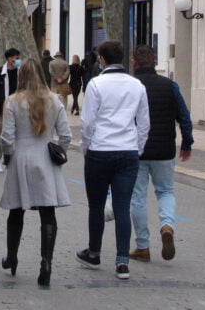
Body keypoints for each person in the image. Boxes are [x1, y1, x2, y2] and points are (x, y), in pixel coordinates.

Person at [76, 40, 149, 281]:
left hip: (100, 150)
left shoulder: (96, 85)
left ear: (102, 60)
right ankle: (122, 261)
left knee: (96, 206)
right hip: (127, 151)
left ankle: (94, 253)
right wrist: (136, 149)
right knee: (122, 207)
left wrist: (86, 147)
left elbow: (87, 123)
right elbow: (144, 124)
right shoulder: (136, 85)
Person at [0, 58, 72, 288]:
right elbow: (67, 135)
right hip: (45, 159)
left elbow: (7, 137)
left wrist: (8, 154)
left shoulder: (13, 102)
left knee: (16, 210)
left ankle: (12, 257)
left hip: (21, 157)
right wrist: (58, 151)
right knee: (47, 212)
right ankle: (46, 262)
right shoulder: (54, 100)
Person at [130, 45, 194, 263]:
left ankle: (143, 246)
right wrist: (187, 143)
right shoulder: (170, 86)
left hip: (136, 150)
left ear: (134, 63)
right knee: (166, 191)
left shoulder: (130, 86)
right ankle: (167, 225)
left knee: (137, 197)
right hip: (165, 149)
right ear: (155, 63)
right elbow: (184, 116)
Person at [0, 48, 21, 173]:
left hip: (18, 109)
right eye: (15, 58)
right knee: (0, 133)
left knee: (17, 134)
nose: (17, 60)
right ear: (9, 59)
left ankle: (12, 158)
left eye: (18, 58)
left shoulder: (21, 72)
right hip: (2, 109)